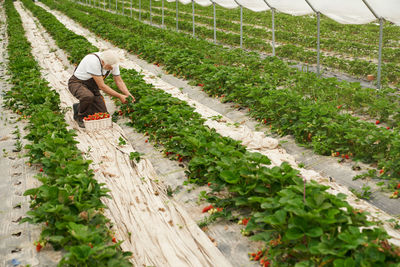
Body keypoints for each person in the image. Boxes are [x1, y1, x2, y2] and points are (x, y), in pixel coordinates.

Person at [68, 50, 134, 128]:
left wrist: (128, 94)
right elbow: (102, 86)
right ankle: (80, 117)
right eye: (109, 67)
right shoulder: (93, 61)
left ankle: (79, 106)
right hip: (77, 83)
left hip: (93, 87)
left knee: (102, 114)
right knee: (87, 96)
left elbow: (119, 81)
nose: (111, 69)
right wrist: (120, 96)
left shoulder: (113, 63)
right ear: (102, 62)